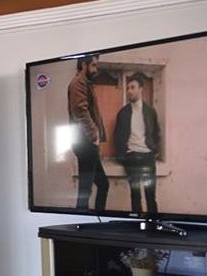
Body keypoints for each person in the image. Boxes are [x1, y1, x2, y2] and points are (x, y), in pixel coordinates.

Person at [113, 73, 161, 214]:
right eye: (128, 88)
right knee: (135, 196)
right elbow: (117, 136)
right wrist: (122, 156)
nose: (129, 91)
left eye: (132, 87)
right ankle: (137, 223)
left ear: (141, 89)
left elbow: (156, 132)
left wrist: (155, 150)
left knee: (150, 196)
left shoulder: (150, 111)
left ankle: (153, 224)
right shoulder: (123, 113)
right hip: (131, 156)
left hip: (148, 156)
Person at [67, 54, 109, 210]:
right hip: (85, 143)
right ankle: (81, 220)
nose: (96, 69)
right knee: (85, 191)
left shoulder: (85, 83)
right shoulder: (79, 83)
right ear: (84, 65)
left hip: (86, 143)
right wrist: (94, 134)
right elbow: (80, 112)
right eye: (93, 65)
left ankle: (98, 218)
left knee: (102, 184)